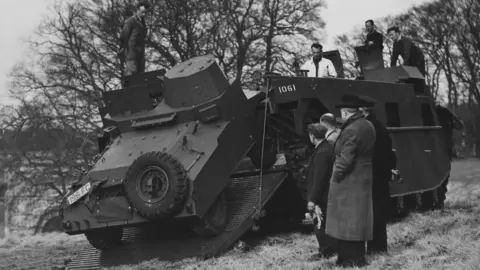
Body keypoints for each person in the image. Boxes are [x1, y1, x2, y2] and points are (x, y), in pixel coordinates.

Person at [325, 94, 376, 267]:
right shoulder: (367, 125)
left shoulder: (352, 129)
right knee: (358, 218)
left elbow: (345, 159)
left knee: (347, 220)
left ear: (346, 112)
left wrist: (335, 176)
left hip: (350, 179)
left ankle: (349, 259)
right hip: (363, 175)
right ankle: (355, 257)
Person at [358, 95, 397, 255]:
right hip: (379, 174)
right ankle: (378, 248)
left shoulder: (370, 127)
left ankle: (377, 249)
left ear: (362, 110)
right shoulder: (377, 125)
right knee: (377, 213)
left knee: (375, 213)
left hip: (374, 175)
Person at [304, 123, 336, 260]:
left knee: (320, 223)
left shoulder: (321, 153)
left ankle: (326, 251)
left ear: (312, 136)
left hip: (322, 196)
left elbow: (319, 179)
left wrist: (312, 199)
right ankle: (330, 249)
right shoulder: (328, 147)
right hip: (328, 192)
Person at [120, 1, 150, 76]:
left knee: (141, 76)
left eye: (145, 13)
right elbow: (124, 35)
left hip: (141, 54)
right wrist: (122, 47)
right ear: (137, 10)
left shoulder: (143, 23)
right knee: (132, 76)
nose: (144, 14)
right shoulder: (130, 21)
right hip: (131, 53)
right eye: (142, 12)